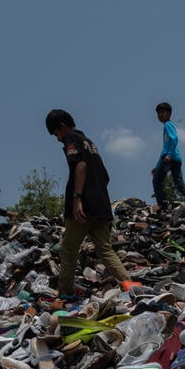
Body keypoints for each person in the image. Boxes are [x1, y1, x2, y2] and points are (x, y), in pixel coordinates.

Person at [45, 109, 134, 299]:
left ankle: (65, 292)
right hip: (100, 206)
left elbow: (81, 166)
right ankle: (131, 286)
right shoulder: (89, 143)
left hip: (82, 208)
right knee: (105, 249)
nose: (57, 138)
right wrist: (96, 194)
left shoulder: (70, 138)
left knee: (69, 249)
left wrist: (78, 199)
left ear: (61, 126)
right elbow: (105, 176)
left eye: (55, 133)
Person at [151, 102, 185, 208]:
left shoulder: (168, 125)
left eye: (162, 112)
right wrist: (157, 167)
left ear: (169, 114)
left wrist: (169, 155)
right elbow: (164, 150)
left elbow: (175, 139)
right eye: (158, 113)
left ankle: (162, 206)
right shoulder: (167, 126)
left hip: (169, 159)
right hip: (175, 158)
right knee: (179, 184)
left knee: (156, 181)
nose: (160, 115)